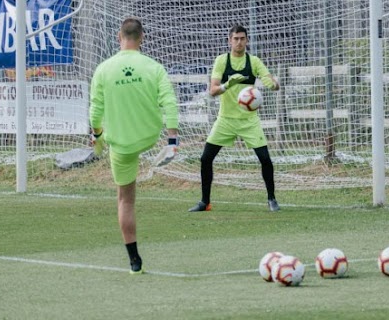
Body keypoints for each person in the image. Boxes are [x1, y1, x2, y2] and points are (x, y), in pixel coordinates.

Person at [89, 17, 179, 274]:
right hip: (150, 136)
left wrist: (97, 136)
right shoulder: (154, 67)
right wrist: (172, 140)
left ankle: (134, 261)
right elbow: (169, 103)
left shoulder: (104, 69)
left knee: (126, 200)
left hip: (121, 143)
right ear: (142, 38)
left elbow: (95, 111)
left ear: (119, 36)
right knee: (127, 196)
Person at [188, 24, 281, 213]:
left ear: (247, 40)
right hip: (226, 120)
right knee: (206, 158)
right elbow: (213, 91)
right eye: (235, 38)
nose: (239, 42)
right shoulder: (222, 61)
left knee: (265, 159)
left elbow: (270, 80)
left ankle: (272, 199)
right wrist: (227, 85)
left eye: (242, 38)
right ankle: (205, 202)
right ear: (229, 40)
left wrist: (273, 85)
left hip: (249, 121)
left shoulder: (254, 61)